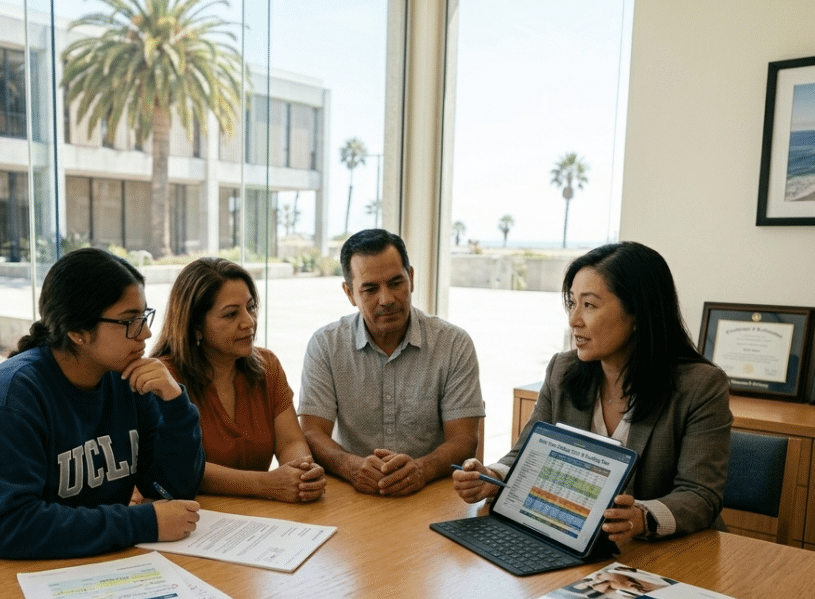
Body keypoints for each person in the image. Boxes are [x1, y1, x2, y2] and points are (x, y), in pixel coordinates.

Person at [0, 247, 204, 559]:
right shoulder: (12, 396)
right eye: (130, 320)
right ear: (77, 331)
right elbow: (10, 527)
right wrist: (142, 522)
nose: (145, 333)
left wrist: (175, 405)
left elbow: (170, 491)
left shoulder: (126, 378)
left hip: (74, 559)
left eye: (144, 316)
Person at [453, 241, 731, 544]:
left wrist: (641, 517)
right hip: (575, 541)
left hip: (670, 551)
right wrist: (493, 477)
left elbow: (701, 494)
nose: (574, 320)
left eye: (589, 305)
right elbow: (526, 453)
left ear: (638, 312)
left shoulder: (701, 386)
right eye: (572, 303)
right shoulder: (562, 370)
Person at [298, 228, 485, 496]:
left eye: (396, 283)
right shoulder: (326, 345)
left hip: (429, 494)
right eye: (370, 289)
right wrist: (352, 466)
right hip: (351, 495)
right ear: (350, 293)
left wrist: (423, 469)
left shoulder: (454, 343)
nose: (386, 299)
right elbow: (312, 433)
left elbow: (465, 439)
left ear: (411, 278)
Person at [151, 258, 326, 502]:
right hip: (196, 521)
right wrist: (267, 485)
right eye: (231, 314)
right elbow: (183, 467)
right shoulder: (163, 379)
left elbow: (290, 441)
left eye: (251, 307)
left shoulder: (268, 365)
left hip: (260, 517)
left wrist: (303, 471)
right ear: (195, 326)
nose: (249, 322)